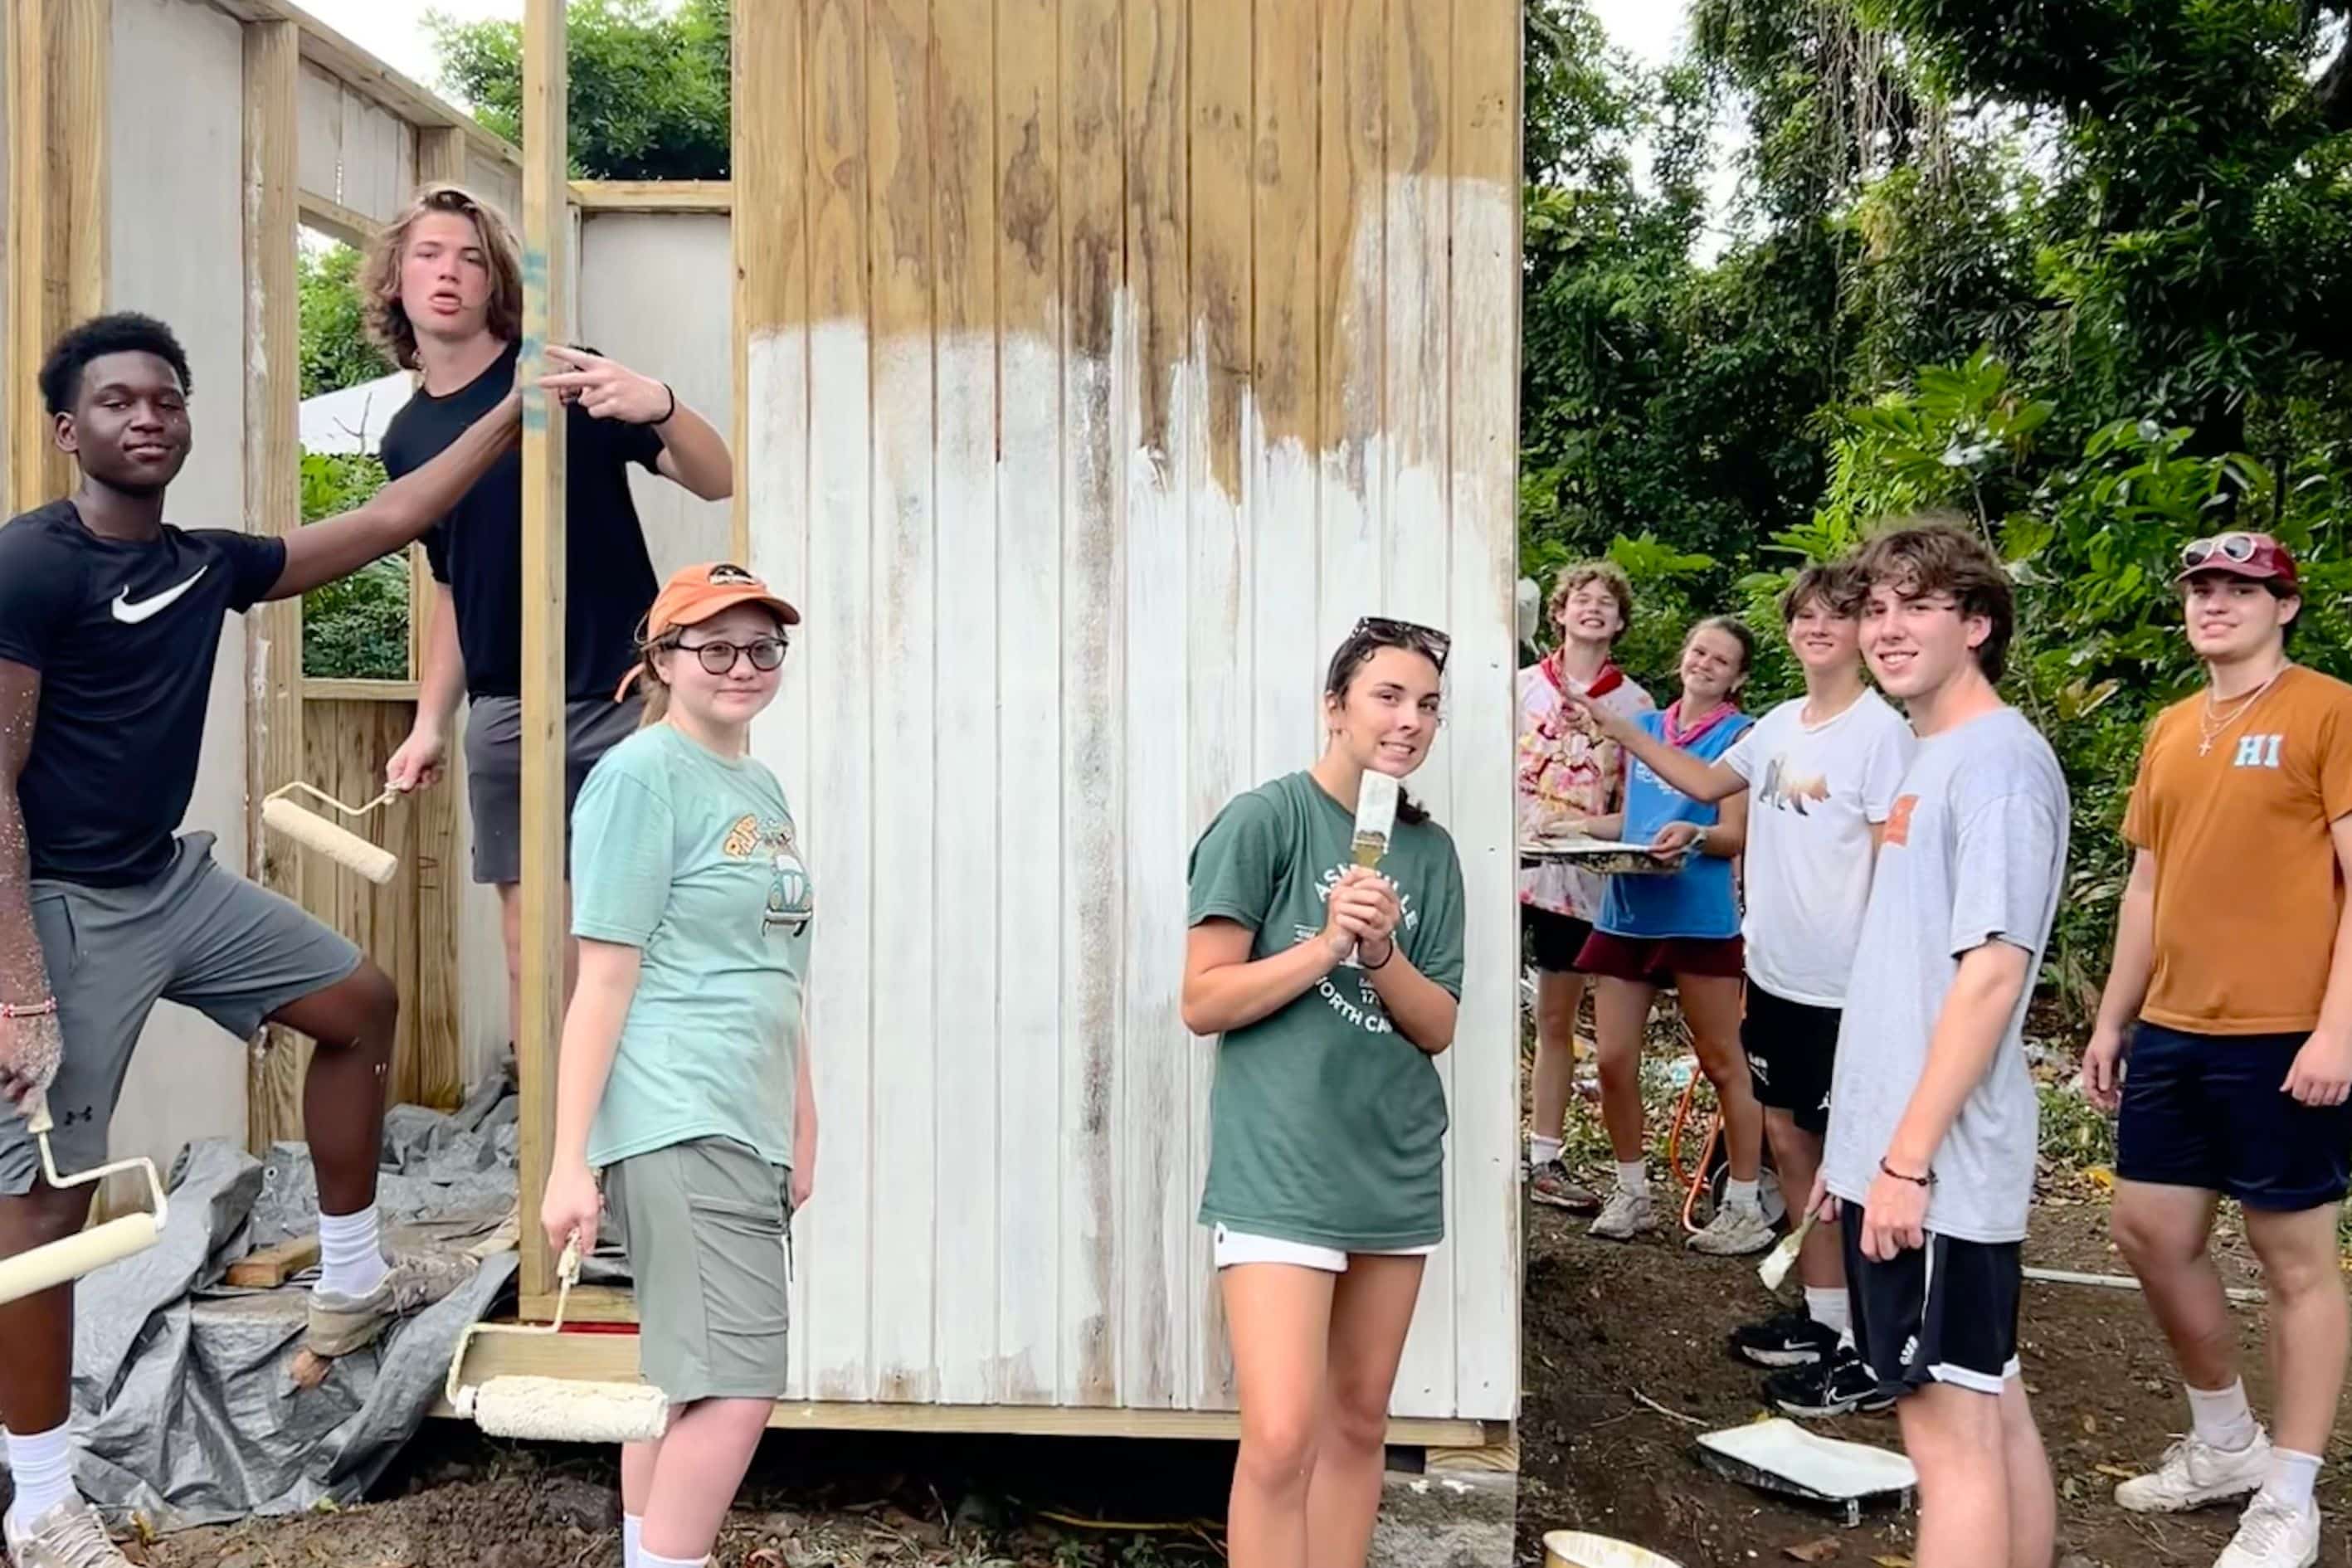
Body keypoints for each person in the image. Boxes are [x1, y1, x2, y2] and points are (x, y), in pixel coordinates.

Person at [0, 312, 522, 1567]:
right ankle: (38, 1502)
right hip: (57, 908)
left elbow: (389, 522)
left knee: (360, 1002)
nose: (148, 416)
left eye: (166, 399)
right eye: (118, 401)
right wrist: (19, 989)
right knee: (39, 1207)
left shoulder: (206, 560)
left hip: (169, 883)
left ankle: (348, 1281)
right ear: (70, 430)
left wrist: (515, 413)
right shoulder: (31, 564)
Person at [362, 183, 735, 1059]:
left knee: (657, 921)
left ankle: (663, 1132)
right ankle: (561, 1159)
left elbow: (716, 480)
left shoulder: (565, 379)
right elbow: (453, 592)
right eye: (429, 255)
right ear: (396, 282)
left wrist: (664, 405)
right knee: (534, 948)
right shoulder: (409, 437)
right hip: (501, 714)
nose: (449, 273)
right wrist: (428, 726)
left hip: (622, 695)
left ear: (497, 282)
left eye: (471, 257)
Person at [1569, 565, 1913, 1406]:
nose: (1817, 629)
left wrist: (1890, 971)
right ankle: (1827, 1319)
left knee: (1863, 1166)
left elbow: (1893, 864)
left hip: (1853, 988)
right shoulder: (1780, 729)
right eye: (1804, 617)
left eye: (1837, 617)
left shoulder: (1882, 733)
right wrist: (1622, 730)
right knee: (1794, 1146)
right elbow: (1701, 781)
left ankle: (1880, 1348)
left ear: (1867, 632)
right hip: (1780, 975)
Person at [2081, 532, 2352, 1568]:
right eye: (2201, 589)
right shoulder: (2171, 726)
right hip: (2175, 1029)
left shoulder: (2328, 710)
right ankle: (2225, 1441)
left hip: (2288, 1035)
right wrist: (2114, 1020)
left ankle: (2291, 1495)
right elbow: (2150, 886)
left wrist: (2339, 1029)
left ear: (2284, 605)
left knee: (2295, 1261)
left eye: (2241, 589)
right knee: (2148, 1230)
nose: (2215, 603)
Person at [538, 562, 816, 1568]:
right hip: (678, 1110)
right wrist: (570, 1160)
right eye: (713, 645)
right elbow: (601, 981)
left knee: (687, 1379)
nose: (741, 666)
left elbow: (777, 971)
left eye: (761, 646)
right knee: (740, 1383)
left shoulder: (758, 783)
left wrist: (802, 1120)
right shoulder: (639, 778)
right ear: (661, 659)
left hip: (745, 1116)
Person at [1181, 616, 1466, 1568]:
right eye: (1388, 696)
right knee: (1279, 1437)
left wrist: (1381, 951)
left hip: (1391, 1169)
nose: (1409, 721)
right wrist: (1324, 946)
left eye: (1427, 704)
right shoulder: (1265, 821)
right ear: (1335, 705)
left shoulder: (1431, 854)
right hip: (1279, 1170)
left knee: (1357, 1424)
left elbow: (1438, 1025)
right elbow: (1203, 999)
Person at [1814, 521, 2067, 1568]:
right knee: (1987, 1398)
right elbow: (1907, 971)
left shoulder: (2000, 765)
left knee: (1944, 1439)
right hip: (1901, 1150)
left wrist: (1905, 1158)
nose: (1889, 626)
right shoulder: (1938, 753)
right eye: (1875, 606)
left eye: (1919, 605)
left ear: (1979, 624)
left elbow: (1993, 974)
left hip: (1940, 1163)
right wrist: (1855, 1154)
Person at [1568, 616, 1765, 1254]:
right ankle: (1632, 1191)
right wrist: (1569, 827)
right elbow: (1640, 819)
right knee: (1611, 1058)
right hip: (1628, 908)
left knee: (1720, 1061)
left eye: (1721, 659)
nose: (1704, 663)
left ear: (1737, 678)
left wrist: (1697, 835)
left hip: (1698, 914)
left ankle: (1742, 1203)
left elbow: (1733, 832)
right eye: (1698, 651)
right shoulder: (1646, 729)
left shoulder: (1742, 736)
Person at [1517, 561, 1655, 1212]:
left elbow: (1640, 809)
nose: (1592, 609)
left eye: (1606, 602)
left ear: (1620, 622)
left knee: (1556, 1017)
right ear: (1560, 613)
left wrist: (1575, 826)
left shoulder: (1636, 706)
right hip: (1507, 866)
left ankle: (1545, 1154)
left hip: (1578, 881)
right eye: (1581, 599)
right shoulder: (1517, 688)